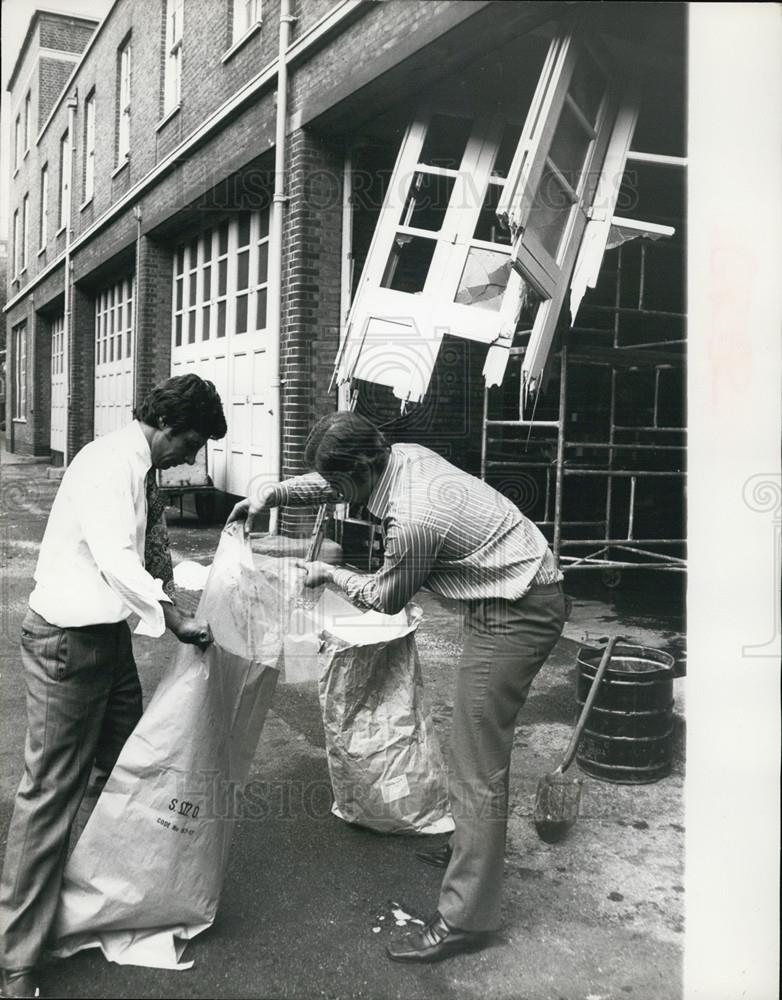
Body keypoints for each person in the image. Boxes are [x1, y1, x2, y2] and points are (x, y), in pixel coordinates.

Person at [228, 410, 567, 964]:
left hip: (518, 608)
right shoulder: (396, 455)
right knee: (470, 749)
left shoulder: (412, 517)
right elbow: (330, 479)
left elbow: (385, 596)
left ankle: (466, 920)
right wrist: (276, 495)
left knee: (476, 759)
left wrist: (328, 574)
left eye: (342, 486)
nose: (338, 495)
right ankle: (469, 849)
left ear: (364, 465)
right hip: (503, 591)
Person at [0, 374, 227, 999]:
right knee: (49, 793)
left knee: (126, 770)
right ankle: (16, 958)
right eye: (194, 443)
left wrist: (211, 571)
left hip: (105, 640)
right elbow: (116, 559)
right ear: (173, 428)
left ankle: (92, 904)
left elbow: (145, 556)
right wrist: (176, 616)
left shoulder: (134, 466)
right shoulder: (108, 464)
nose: (192, 458)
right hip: (68, 643)